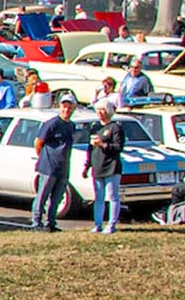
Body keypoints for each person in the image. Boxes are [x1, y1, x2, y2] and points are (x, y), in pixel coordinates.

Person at [30, 97, 76, 232]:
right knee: (43, 195)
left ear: (73, 108)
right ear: (60, 107)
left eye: (69, 107)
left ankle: (51, 222)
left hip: (63, 166)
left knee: (57, 196)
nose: (66, 109)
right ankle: (36, 222)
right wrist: (44, 157)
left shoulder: (71, 125)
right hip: (48, 166)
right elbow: (38, 142)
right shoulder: (52, 124)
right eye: (64, 106)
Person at [83, 101, 125, 234]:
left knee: (112, 196)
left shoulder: (115, 128)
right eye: (98, 110)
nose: (100, 113)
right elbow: (90, 149)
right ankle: (98, 224)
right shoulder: (95, 128)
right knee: (98, 197)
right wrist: (87, 166)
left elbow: (118, 147)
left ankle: (112, 224)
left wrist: (103, 144)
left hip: (111, 167)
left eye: (103, 110)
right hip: (97, 166)